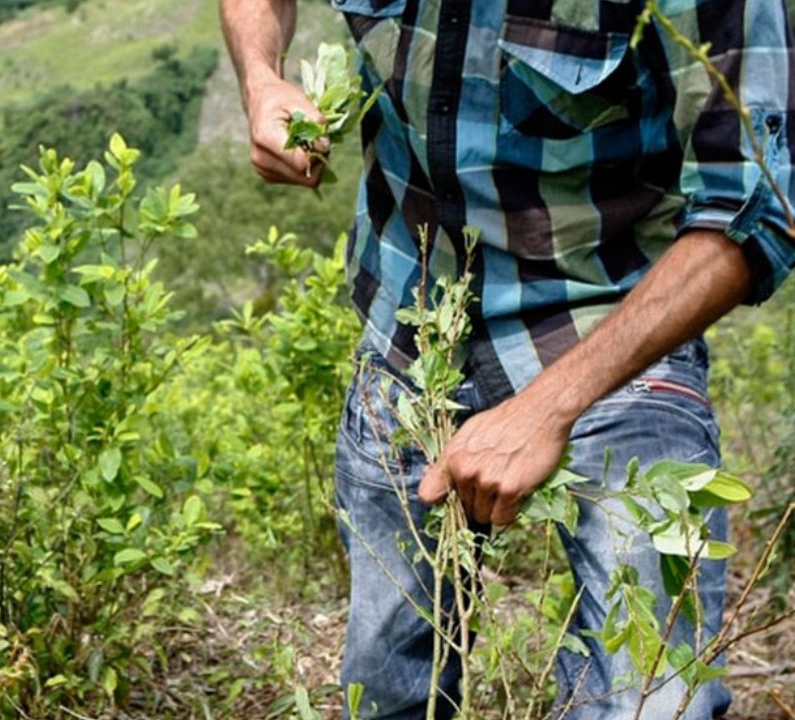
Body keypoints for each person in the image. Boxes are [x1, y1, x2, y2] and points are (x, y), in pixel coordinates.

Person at [220, 0, 795, 717]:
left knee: (650, 697)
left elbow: (753, 213)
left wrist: (548, 407)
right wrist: (261, 78)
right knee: (386, 687)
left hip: (613, 332)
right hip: (408, 324)